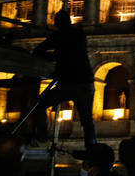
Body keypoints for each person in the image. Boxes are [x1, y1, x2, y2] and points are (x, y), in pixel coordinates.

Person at [32, 9, 96, 149]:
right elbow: (74, 54)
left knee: (40, 105)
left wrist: (54, 58)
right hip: (86, 82)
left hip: (69, 84)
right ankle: (92, 151)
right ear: (70, 21)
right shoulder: (80, 34)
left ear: (57, 23)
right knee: (87, 122)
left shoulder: (58, 36)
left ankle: (42, 139)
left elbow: (38, 51)